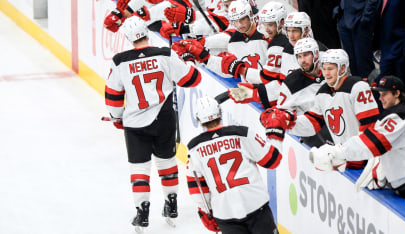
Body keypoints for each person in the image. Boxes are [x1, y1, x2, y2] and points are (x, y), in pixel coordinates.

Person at [104, 16, 202, 231]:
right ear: (146, 32)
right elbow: (191, 79)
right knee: (166, 162)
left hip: (135, 124)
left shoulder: (120, 61)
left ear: (128, 38)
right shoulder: (165, 54)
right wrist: (190, 61)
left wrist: (116, 117)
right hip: (165, 118)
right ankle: (172, 203)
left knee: (139, 167)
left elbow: (112, 96)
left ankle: (142, 211)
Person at [260, 49, 380, 169]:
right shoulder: (323, 92)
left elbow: (370, 125)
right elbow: (312, 123)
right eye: (324, 68)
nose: (326, 73)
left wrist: (366, 158)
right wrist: (288, 120)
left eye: (331, 69)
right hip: (344, 159)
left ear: (343, 69)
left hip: (364, 159)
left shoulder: (357, 87)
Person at [309, 75, 405, 204]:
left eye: (385, 94)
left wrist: (339, 152)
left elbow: (373, 142)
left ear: (397, 93)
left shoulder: (401, 114)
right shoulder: (393, 113)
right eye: (379, 94)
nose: (380, 98)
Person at [187, 96, 282, 234]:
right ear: (220, 112)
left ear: (198, 119)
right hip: (256, 205)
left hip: (225, 213)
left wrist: (204, 212)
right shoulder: (242, 133)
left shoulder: (193, 149)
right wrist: (276, 132)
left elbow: (197, 189)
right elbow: (273, 160)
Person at [374, 0, 405, 104]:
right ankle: (388, 113)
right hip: (385, 49)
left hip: (400, 48)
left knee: (402, 86)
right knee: (383, 84)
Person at [336, 0, 380, 78]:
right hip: (343, 16)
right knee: (351, 62)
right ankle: (357, 87)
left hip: (361, 19)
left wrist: (366, 17)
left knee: (363, 64)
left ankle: (369, 88)